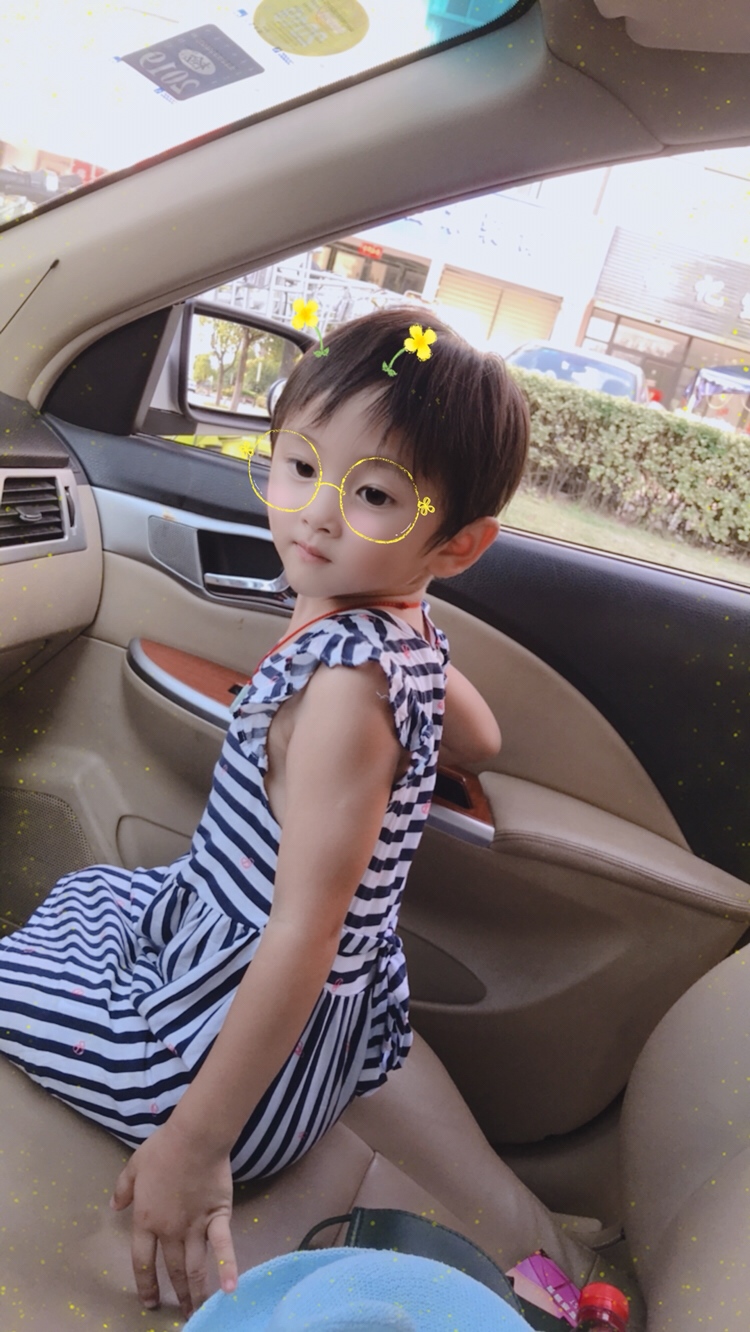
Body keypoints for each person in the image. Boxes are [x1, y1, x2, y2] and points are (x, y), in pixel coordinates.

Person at [0, 307, 530, 1321]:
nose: (315, 514)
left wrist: (193, 1148)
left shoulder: (343, 694)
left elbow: (302, 937)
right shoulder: (405, 630)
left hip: (223, 1052)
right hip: (293, 1005)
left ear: (457, 545)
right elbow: (485, 739)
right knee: (91, 894)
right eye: (298, 466)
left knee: (20, 968)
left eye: (373, 494)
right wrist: (424, 686)